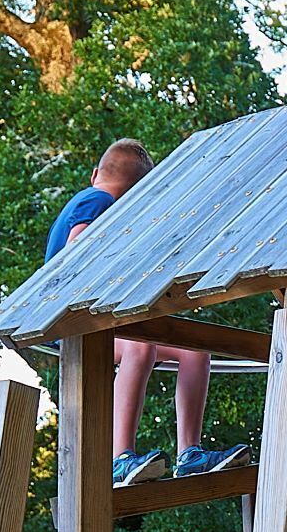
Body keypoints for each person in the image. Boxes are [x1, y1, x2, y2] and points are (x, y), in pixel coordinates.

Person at [44, 139, 243, 485]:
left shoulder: (99, 200)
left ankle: (190, 453)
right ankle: (119, 456)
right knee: (140, 346)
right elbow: (77, 249)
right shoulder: (98, 200)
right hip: (70, 326)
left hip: (97, 323)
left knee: (195, 352)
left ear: (95, 174)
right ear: (140, 194)